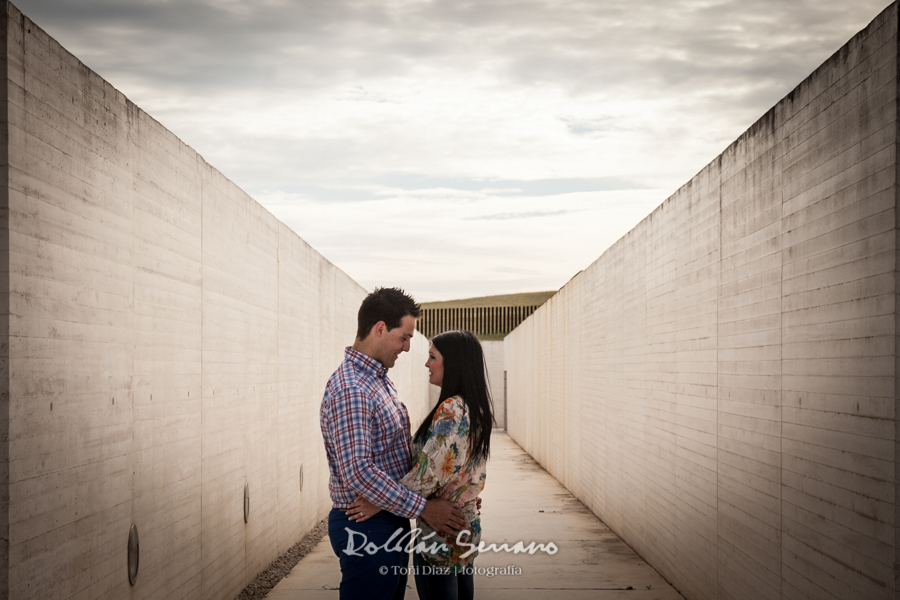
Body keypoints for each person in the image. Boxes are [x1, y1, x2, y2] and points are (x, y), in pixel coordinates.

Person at [320, 287, 468, 600]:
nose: (407, 347)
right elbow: (358, 471)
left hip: (387, 517)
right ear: (380, 328)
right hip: (365, 528)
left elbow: (397, 456)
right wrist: (425, 508)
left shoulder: (377, 379)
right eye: (404, 337)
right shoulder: (353, 389)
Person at [348, 330, 493, 600]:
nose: (427, 364)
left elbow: (429, 473)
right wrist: (463, 497)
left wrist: (379, 501)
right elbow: (466, 473)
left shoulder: (452, 409)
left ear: (454, 364)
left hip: (441, 532)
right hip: (465, 524)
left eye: (432, 357)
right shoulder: (475, 408)